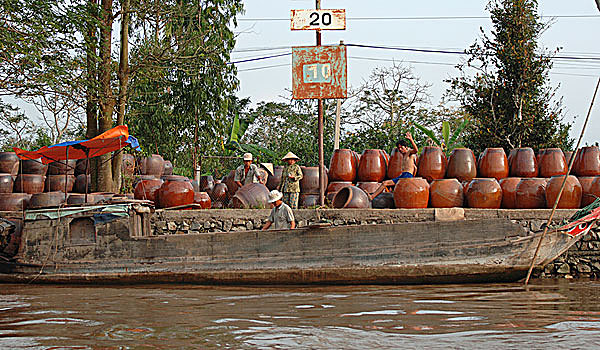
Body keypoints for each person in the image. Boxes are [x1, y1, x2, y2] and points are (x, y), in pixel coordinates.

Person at [369, 131, 419, 200]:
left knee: (385, 183)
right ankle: (373, 196)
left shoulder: (409, 152)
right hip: (403, 175)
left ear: (406, 147)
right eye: (399, 148)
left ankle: (372, 196)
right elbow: (415, 167)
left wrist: (411, 139)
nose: (400, 150)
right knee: (387, 184)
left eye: (402, 148)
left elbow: (416, 150)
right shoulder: (404, 156)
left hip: (407, 176)